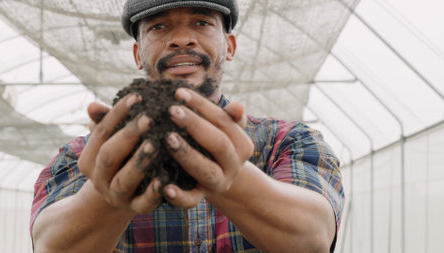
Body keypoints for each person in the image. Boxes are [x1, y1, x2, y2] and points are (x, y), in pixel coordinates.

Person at [30, 0, 345, 252]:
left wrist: (229, 174)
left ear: (230, 46)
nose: (181, 39)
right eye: (159, 26)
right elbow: (49, 244)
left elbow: (313, 238)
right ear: (138, 54)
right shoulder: (83, 156)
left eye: (202, 22)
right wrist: (107, 190)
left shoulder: (289, 141)